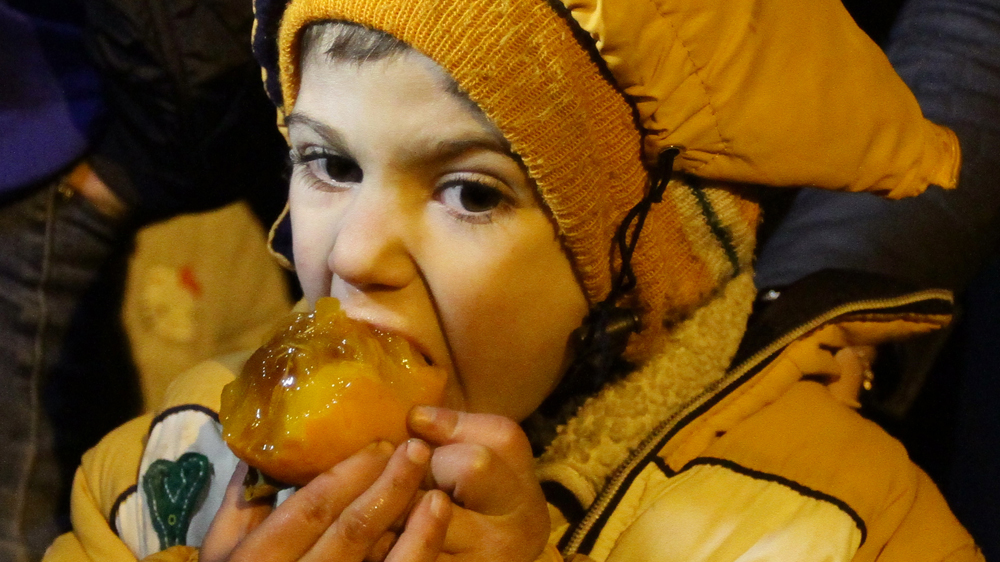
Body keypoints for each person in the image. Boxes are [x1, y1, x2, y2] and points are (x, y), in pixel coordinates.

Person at [43, 0, 984, 560]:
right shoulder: (166, 469)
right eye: (330, 164)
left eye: (469, 191)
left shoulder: (842, 524)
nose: (358, 252)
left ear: (643, 276)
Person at [0, 1, 287, 560]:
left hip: (63, 140)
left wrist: (135, 161)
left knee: (22, 505)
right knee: (93, 474)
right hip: (64, 136)